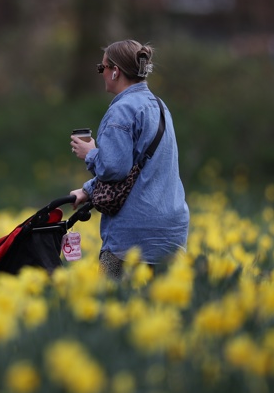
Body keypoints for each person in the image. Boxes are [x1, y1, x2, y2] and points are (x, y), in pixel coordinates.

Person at [69, 40, 189, 278]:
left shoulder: (122, 110)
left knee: (108, 299)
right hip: (172, 231)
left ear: (115, 71)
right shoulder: (160, 106)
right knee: (163, 308)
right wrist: (88, 191)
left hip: (133, 234)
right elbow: (143, 169)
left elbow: (114, 168)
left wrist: (91, 153)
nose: (101, 74)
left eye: (101, 68)